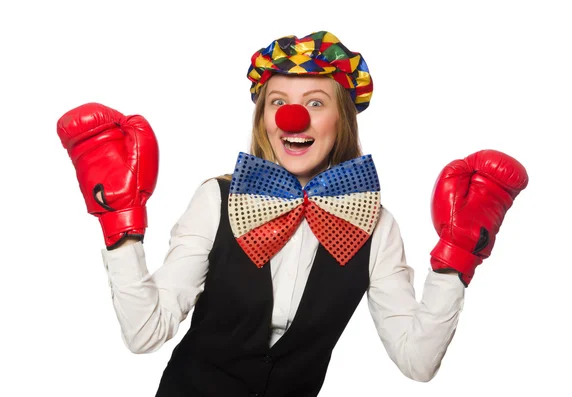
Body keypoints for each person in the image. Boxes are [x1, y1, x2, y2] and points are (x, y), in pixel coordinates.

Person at [57, 31, 528, 397]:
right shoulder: (216, 201)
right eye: (278, 103)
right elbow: (145, 334)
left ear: (341, 118)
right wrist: (120, 225)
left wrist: (457, 261)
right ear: (263, 117)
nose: (291, 119)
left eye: (315, 103)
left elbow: (417, 362)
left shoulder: (374, 224)